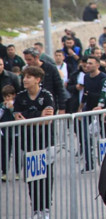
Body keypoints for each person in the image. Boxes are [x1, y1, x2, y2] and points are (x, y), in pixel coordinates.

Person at [13, 65, 55, 218]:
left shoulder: (47, 95)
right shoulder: (20, 97)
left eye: (29, 77)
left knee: (46, 177)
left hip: (45, 142)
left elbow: (47, 120)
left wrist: (29, 117)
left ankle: (46, 208)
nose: (25, 80)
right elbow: (18, 118)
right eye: (24, 76)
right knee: (32, 178)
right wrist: (38, 115)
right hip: (28, 144)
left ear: (37, 80)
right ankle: (36, 209)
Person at [22, 48, 66, 114]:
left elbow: (59, 88)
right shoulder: (26, 70)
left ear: (37, 57)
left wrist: (62, 107)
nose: (28, 62)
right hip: (31, 107)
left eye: (29, 59)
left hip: (49, 105)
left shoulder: (50, 68)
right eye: (26, 60)